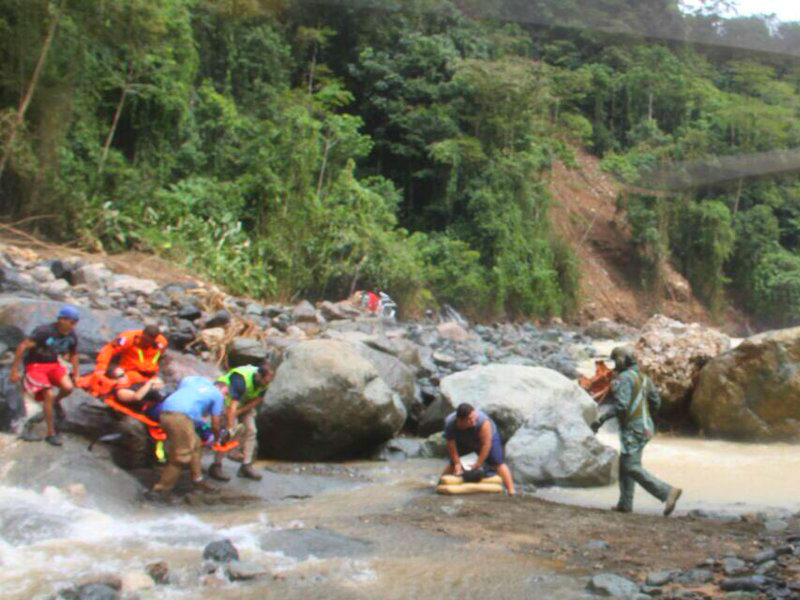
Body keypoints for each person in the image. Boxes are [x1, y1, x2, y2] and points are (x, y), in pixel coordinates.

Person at [590, 346, 682, 516]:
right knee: (627, 464)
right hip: (646, 427)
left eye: (615, 360)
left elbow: (621, 406)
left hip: (633, 429)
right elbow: (656, 402)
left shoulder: (623, 379)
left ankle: (667, 492)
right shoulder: (644, 378)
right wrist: (644, 415)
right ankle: (625, 504)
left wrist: (601, 420)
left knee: (630, 466)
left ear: (621, 360)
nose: (614, 365)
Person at [146, 375, 227, 502]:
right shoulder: (217, 395)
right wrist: (217, 439)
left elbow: (185, 382)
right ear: (221, 388)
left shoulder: (194, 381)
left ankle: (197, 480)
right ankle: (160, 491)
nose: (225, 396)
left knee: (195, 443)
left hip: (165, 411)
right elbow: (215, 423)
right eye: (226, 393)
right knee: (182, 456)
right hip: (180, 417)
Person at [10, 305, 81, 446]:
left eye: (75, 323)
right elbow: (22, 346)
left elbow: (74, 354)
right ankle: (50, 433)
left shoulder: (71, 334)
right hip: (35, 365)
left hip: (53, 364)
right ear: (61, 319)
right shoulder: (44, 331)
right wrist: (15, 370)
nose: (72, 326)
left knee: (68, 387)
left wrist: (76, 374)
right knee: (47, 394)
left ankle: (53, 403)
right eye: (71, 322)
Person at [208, 364, 273, 482]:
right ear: (259, 376)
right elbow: (232, 407)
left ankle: (246, 466)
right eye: (265, 381)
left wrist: (241, 411)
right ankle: (216, 465)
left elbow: (258, 400)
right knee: (229, 434)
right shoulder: (240, 380)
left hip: (244, 404)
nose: (267, 384)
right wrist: (230, 426)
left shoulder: (265, 381)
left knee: (251, 430)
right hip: (227, 401)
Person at [442, 403, 515, 495]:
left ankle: (511, 490)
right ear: (460, 420)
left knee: (497, 462)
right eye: (469, 419)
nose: (473, 421)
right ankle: (439, 485)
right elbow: (451, 446)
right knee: (453, 464)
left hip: (487, 438)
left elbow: (486, 445)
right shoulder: (450, 424)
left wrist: (478, 463)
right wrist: (457, 463)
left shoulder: (483, 422)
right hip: (462, 437)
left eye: (473, 417)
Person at [94, 320, 168, 386]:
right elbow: (109, 350)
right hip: (128, 371)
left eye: (149, 341)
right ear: (142, 334)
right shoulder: (128, 338)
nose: (146, 343)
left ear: (155, 339)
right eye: (145, 340)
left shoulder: (162, 343)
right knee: (125, 382)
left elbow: (159, 357)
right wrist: (101, 368)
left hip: (149, 375)